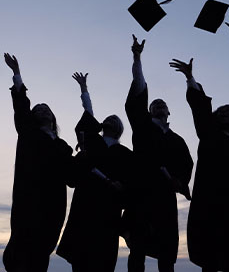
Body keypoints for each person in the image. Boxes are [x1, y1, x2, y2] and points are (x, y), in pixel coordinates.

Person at [169, 58, 229, 272]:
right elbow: (200, 109)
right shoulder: (209, 135)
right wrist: (190, 78)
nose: (224, 112)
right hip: (211, 205)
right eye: (221, 111)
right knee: (211, 258)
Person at [124, 36, 193, 272]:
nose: (159, 106)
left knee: (166, 252)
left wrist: (180, 181)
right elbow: (139, 87)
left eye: (162, 104)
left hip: (165, 196)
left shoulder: (178, 140)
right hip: (143, 194)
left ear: (169, 111)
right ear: (149, 111)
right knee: (138, 249)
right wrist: (137, 57)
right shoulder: (143, 126)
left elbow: (187, 163)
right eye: (155, 105)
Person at [3, 53, 76, 272]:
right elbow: (22, 108)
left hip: (53, 204)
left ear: (53, 118)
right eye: (38, 109)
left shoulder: (63, 146)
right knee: (23, 248)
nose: (42, 110)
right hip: (30, 199)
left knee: (42, 251)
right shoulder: (29, 133)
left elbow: (71, 176)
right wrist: (17, 74)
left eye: (46, 109)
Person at [57, 72, 134, 272]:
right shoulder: (93, 143)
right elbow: (89, 114)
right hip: (85, 206)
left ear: (120, 129)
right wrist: (84, 90)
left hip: (108, 212)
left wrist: (122, 187)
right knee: (80, 260)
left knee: (103, 260)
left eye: (114, 120)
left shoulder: (126, 154)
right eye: (107, 119)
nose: (110, 120)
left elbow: (132, 184)